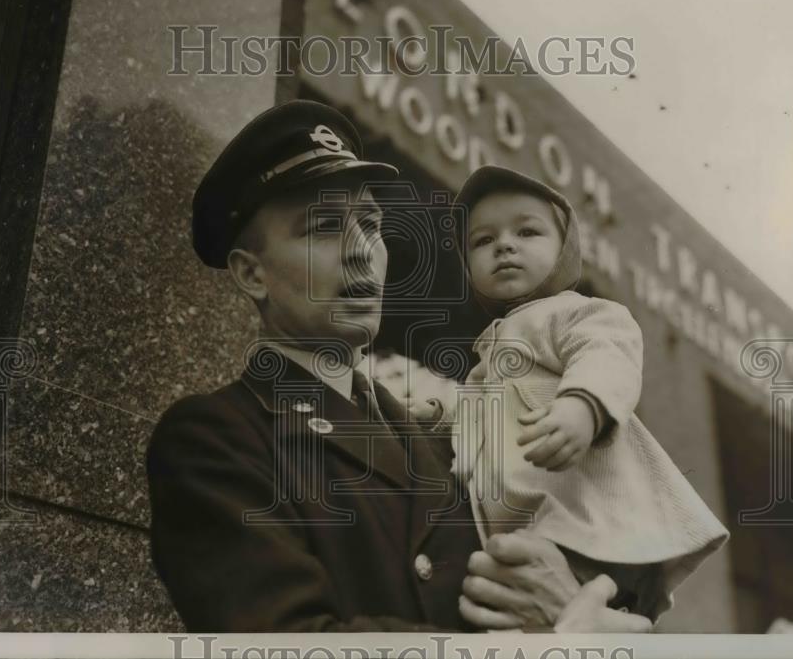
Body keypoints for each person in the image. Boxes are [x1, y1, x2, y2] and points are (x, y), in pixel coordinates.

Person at [146, 99, 655, 633]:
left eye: (370, 224)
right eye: (322, 228)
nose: (361, 251)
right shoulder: (216, 438)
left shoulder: (445, 439)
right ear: (252, 275)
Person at [434, 165, 728, 621]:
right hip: (537, 533)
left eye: (527, 231)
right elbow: (473, 415)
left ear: (565, 250)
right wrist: (433, 412)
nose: (504, 245)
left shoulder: (575, 314)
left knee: (567, 612)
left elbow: (607, 352)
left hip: (591, 525)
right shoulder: (487, 358)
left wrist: (582, 406)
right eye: (482, 240)